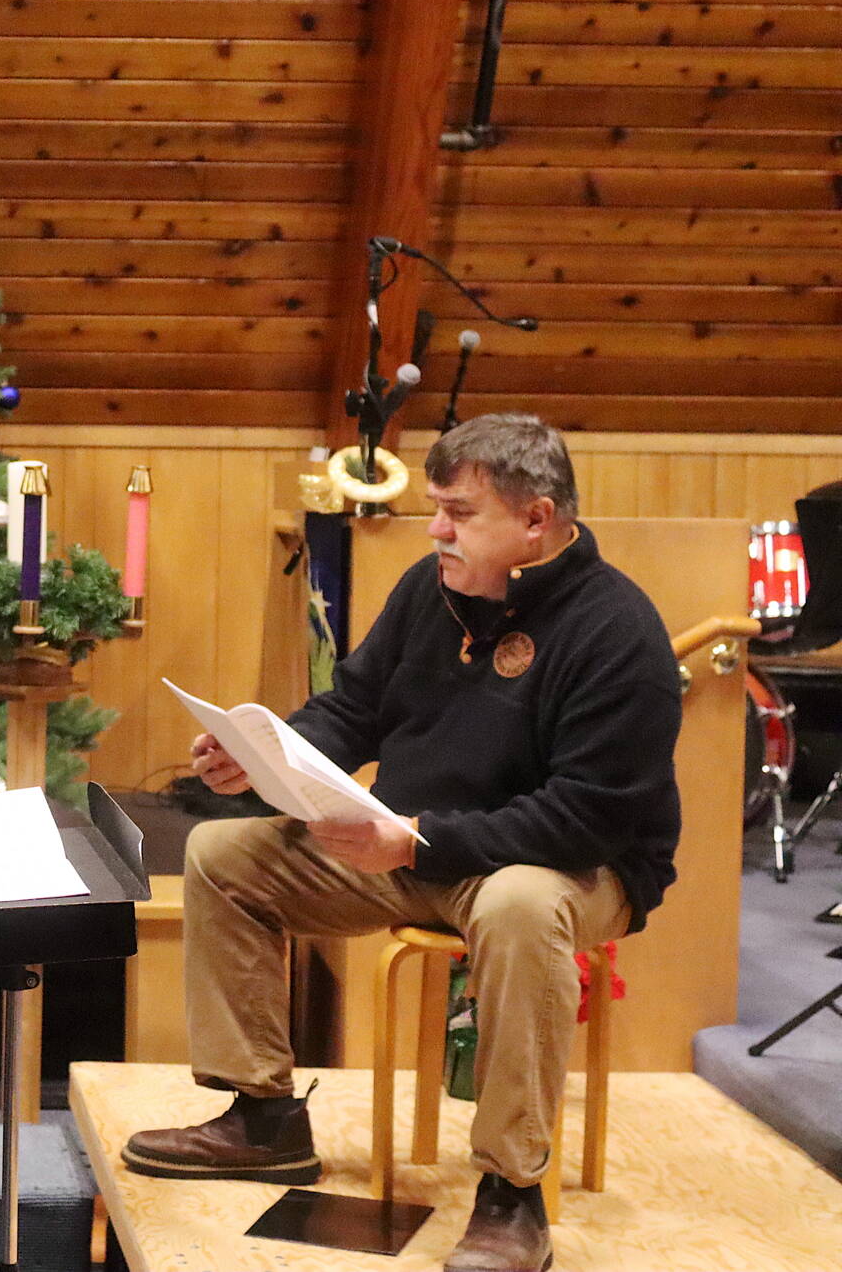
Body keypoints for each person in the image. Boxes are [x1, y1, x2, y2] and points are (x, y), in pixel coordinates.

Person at [124, 414, 681, 1272]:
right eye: (435, 508)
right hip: (415, 847)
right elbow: (353, 709)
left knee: (522, 904)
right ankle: (262, 1116)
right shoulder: (431, 589)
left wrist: (415, 838)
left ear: (535, 521)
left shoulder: (618, 629)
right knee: (223, 856)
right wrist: (261, 754)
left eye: (459, 512)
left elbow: (586, 818)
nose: (435, 529)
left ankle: (510, 1191)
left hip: (570, 866)